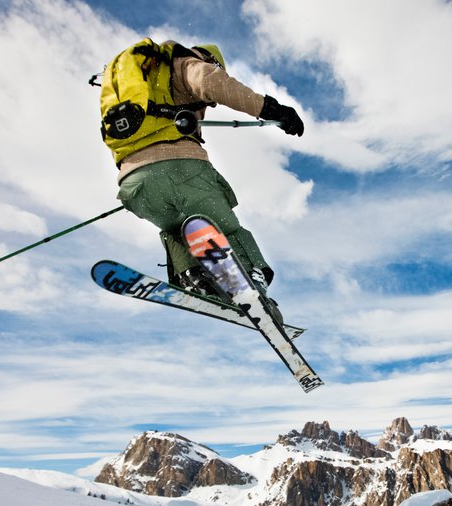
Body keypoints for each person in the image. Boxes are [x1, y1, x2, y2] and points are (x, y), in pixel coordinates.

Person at [104, 40, 304, 313]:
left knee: (177, 230)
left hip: (134, 185)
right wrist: (270, 109)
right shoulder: (186, 62)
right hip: (182, 169)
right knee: (226, 228)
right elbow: (212, 83)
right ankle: (251, 285)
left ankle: (193, 277)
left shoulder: (137, 83)